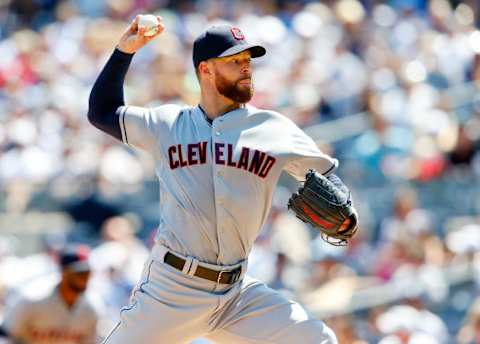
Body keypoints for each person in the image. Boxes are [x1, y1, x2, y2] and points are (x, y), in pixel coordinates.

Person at [88, 14, 355, 343]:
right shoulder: (168, 124)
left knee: (319, 340)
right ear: (206, 69)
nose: (246, 67)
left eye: (248, 60)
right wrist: (123, 51)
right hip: (172, 290)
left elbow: (329, 177)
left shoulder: (274, 129)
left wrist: (344, 218)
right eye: (235, 60)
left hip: (236, 294)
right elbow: (102, 111)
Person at [0, 245, 100, 343]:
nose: (85, 278)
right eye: (80, 272)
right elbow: (4, 334)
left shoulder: (92, 307)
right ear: (63, 271)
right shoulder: (33, 298)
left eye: (88, 272)